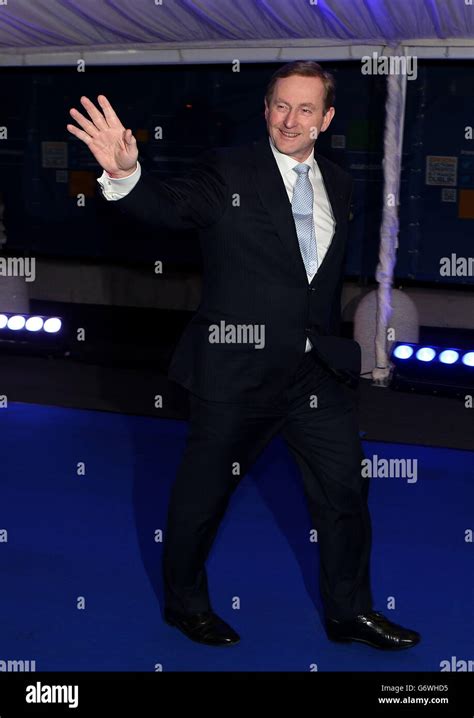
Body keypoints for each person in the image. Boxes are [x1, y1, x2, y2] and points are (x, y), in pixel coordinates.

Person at [67, 61, 420, 650]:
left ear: (326, 119)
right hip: (236, 370)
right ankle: (185, 605)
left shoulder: (340, 180)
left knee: (346, 492)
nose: (290, 119)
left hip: (313, 371)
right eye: (280, 105)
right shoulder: (230, 170)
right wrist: (127, 175)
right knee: (202, 499)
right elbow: (171, 206)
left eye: (306, 109)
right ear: (266, 109)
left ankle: (348, 612)